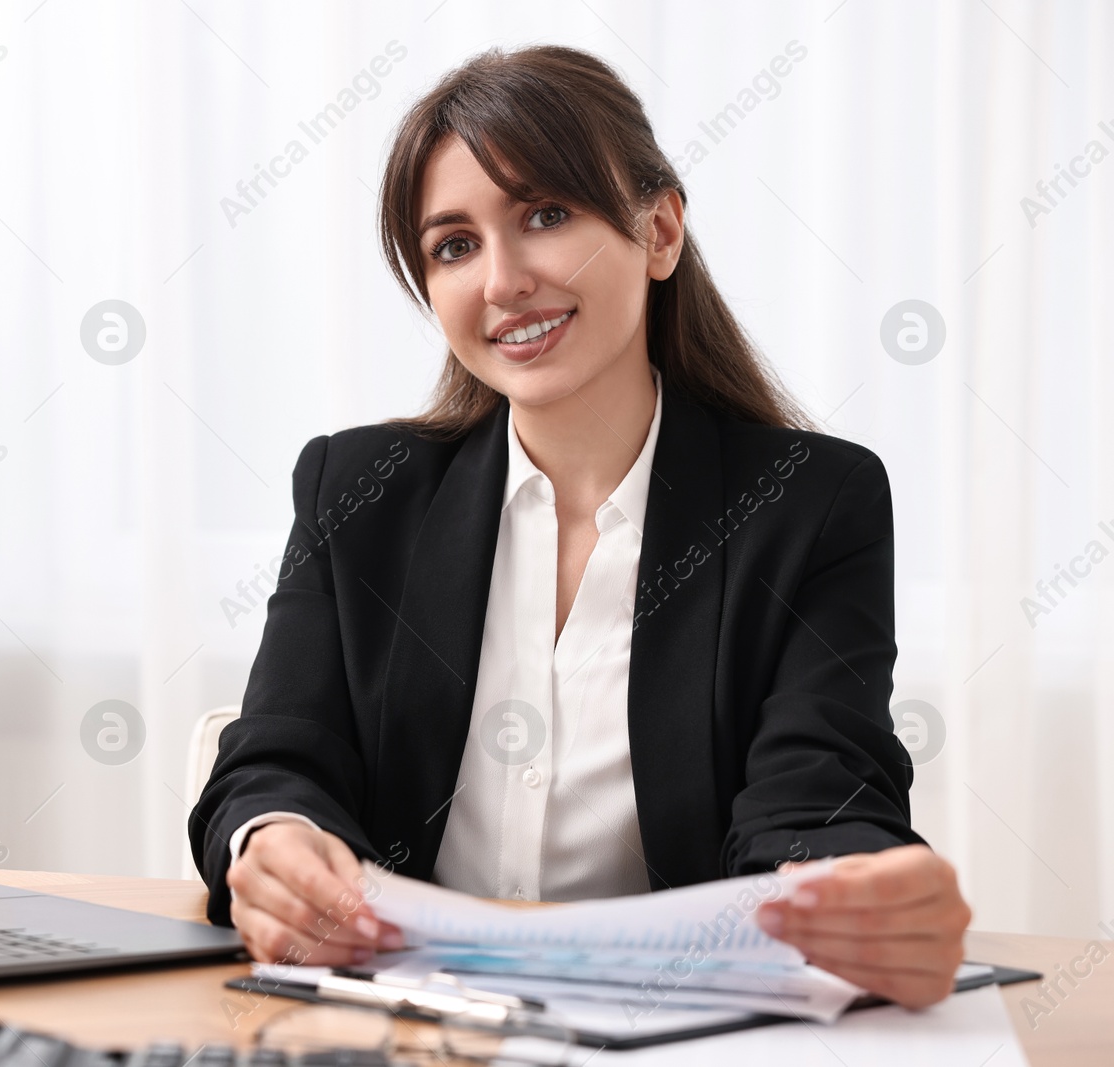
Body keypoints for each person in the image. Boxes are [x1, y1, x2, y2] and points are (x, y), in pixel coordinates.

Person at [189, 44, 971, 1010]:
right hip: (412, 1030)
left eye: (546, 215)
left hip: (671, 1032)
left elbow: (816, 795)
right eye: (453, 245)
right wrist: (267, 839)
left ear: (659, 230)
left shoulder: (809, 505)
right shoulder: (358, 493)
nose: (503, 279)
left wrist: (851, 892)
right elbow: (274, 759)